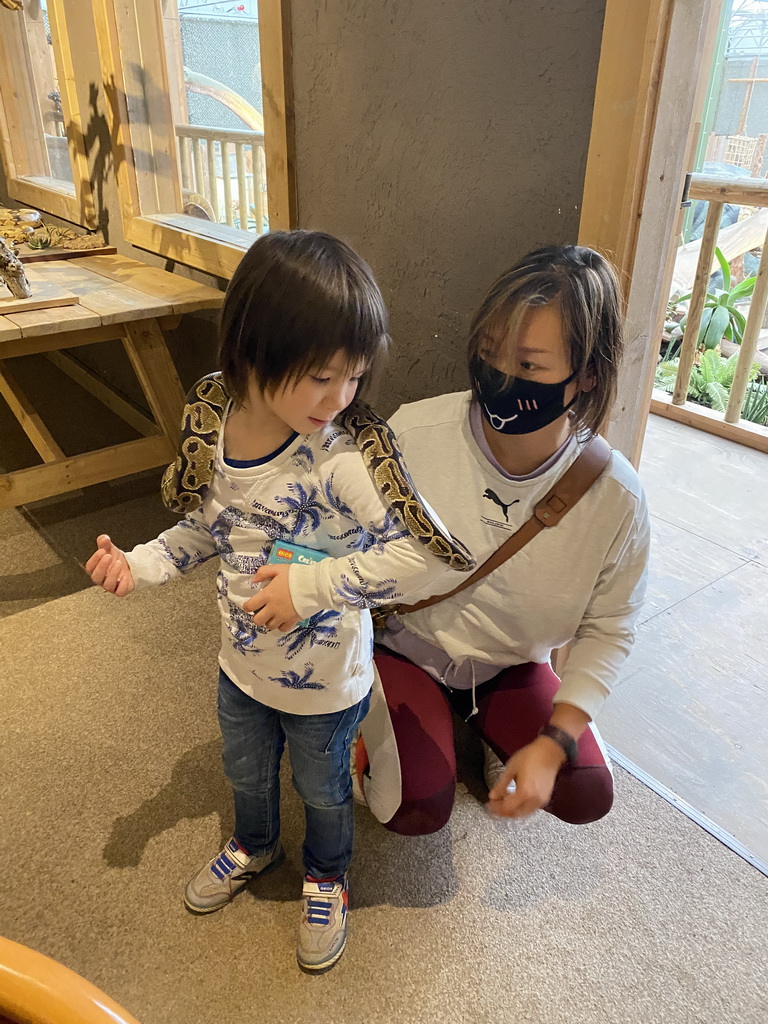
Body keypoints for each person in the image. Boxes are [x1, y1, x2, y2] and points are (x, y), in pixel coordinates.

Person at [84, 230, 461, 973]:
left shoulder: (343, 457)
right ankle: (254, 843)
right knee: (245, 772)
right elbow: (202, 530)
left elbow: (423, 555)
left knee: (324, 790)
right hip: (240, 666)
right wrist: (139, 564)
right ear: (251, 356)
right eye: (323, 377)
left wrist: (311, 586)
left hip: (325, 683)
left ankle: (328, 874)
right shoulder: (216, 432)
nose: (342, 399)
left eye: (354, 379)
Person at [271, 244, 650, 836]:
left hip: (510, 663)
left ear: (589, 376)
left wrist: (555, 740)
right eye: (490, 353)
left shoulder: (614, 498)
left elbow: (611, 627)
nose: (501, 378)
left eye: (529, 368)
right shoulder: (413, 434)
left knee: (585, 793)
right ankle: (387, 717)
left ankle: (482, 723)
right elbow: (340, 544)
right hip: (403, 642)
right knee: (414, 807)